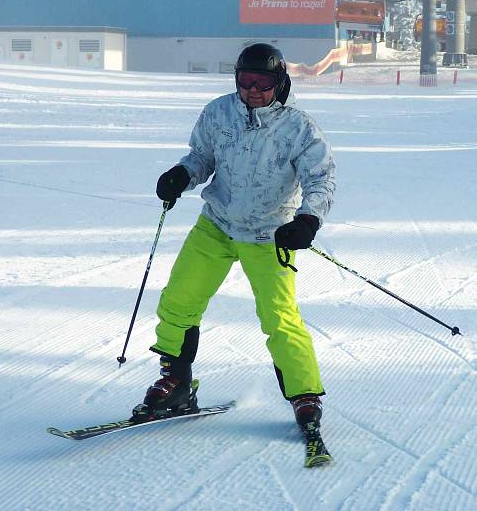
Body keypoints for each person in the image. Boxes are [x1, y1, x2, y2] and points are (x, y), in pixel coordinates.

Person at [132, 43, 337, 436]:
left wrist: (308, 218)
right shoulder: (218, 112)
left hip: (268, 234)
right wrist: (181, 174)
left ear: (280, 83)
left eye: (263, 82)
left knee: (279, 318)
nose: (253, 90)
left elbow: (321, 178)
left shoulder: (299, 128)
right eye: (246, 81)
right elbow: (202, 157)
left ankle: (304, 394)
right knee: (178, 301)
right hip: (218, 224)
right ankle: (176, 381)